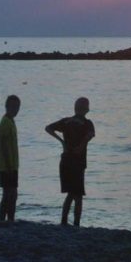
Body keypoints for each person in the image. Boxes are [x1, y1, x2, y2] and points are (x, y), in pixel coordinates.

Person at [45, 97, 95, 227]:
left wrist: (61, 141)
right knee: (77, 195)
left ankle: (64, 221)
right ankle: (75, 223)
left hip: (66, 161)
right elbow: (89, 135)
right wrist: (81, 146)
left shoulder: (66, 121)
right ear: (86, 109)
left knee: (71, 193)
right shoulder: (87, 123)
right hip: (77, 162)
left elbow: (48, 128)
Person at [0, 95, 21, 223]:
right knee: (8, 194)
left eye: (17, 107)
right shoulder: (5, 122)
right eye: (13, 107)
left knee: (12, 194)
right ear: (7, 107)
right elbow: (5, 146)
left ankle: (9, 218)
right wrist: (9, 166)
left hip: (12, 164)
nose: (15, 109)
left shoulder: (11, 121)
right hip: (6, 166)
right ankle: (4, 218)